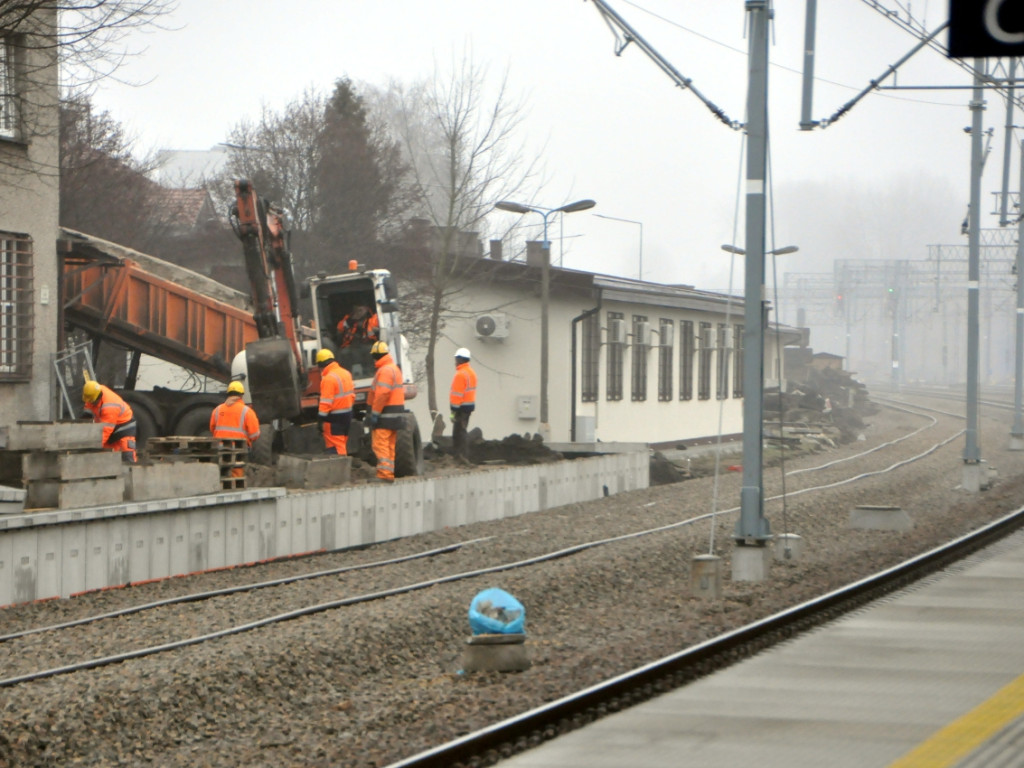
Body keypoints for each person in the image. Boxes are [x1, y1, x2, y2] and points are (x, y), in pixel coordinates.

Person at [365, 339, 405, 482]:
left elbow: (382, 393)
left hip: (385, 416)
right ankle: (388, 473)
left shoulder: (385, 370)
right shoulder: (393, 368)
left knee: (380, 444)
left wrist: (375, 413)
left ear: (376, 355)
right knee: (389, 446)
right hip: (394, 416)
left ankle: (384, 475)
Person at [209, 381, 261, 478]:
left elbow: (212, 428)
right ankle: (236, 483)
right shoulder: (247, 411)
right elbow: (254, 434)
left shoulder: (217, 410)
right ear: (241, 395)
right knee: (237, 472)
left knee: (221, 473)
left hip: (220, 447)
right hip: (239, 449)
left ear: (228, 394)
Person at [82, 380, 137, 463]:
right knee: (107, 454)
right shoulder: (94, 392)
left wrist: (93, 446)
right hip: (109, 426)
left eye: (91, 401)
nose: (90, 403)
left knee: (127, 452)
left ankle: (133, 471)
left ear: (98, 397)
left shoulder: (110, 406)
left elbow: (106, 430)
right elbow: (88, 406)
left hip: (124, 426)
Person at [316, 348, 355, 456]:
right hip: (347, 415)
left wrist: (320, 420)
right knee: (341, 445)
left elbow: (325, 403)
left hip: (333, 419)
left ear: (320, 364)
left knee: (336, 449)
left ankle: (340, 470)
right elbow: (352, 396)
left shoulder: (328, 379)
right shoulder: (346, 373)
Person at [449, 347, 478, 463]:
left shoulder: (460, 375)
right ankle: (462, 456)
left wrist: (453, 411)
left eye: (456, 359)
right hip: (468, 407)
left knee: (458, 433)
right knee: (462, 431)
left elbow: (457, 395)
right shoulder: (471, 373)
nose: (455, 361)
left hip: (460, 408)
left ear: (460, 359)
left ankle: (460, 457)